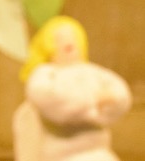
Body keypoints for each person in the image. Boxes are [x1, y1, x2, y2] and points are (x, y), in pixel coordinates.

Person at [13, 16, 131, 161]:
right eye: (59, 38)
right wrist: (93, 101)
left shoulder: (92, 72)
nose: (67, 41)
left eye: (72, 36)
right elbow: (52, 101)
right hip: (61, 154)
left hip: (98, 151)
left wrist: (110, 99)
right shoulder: (45, 74)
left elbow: (120, 94)